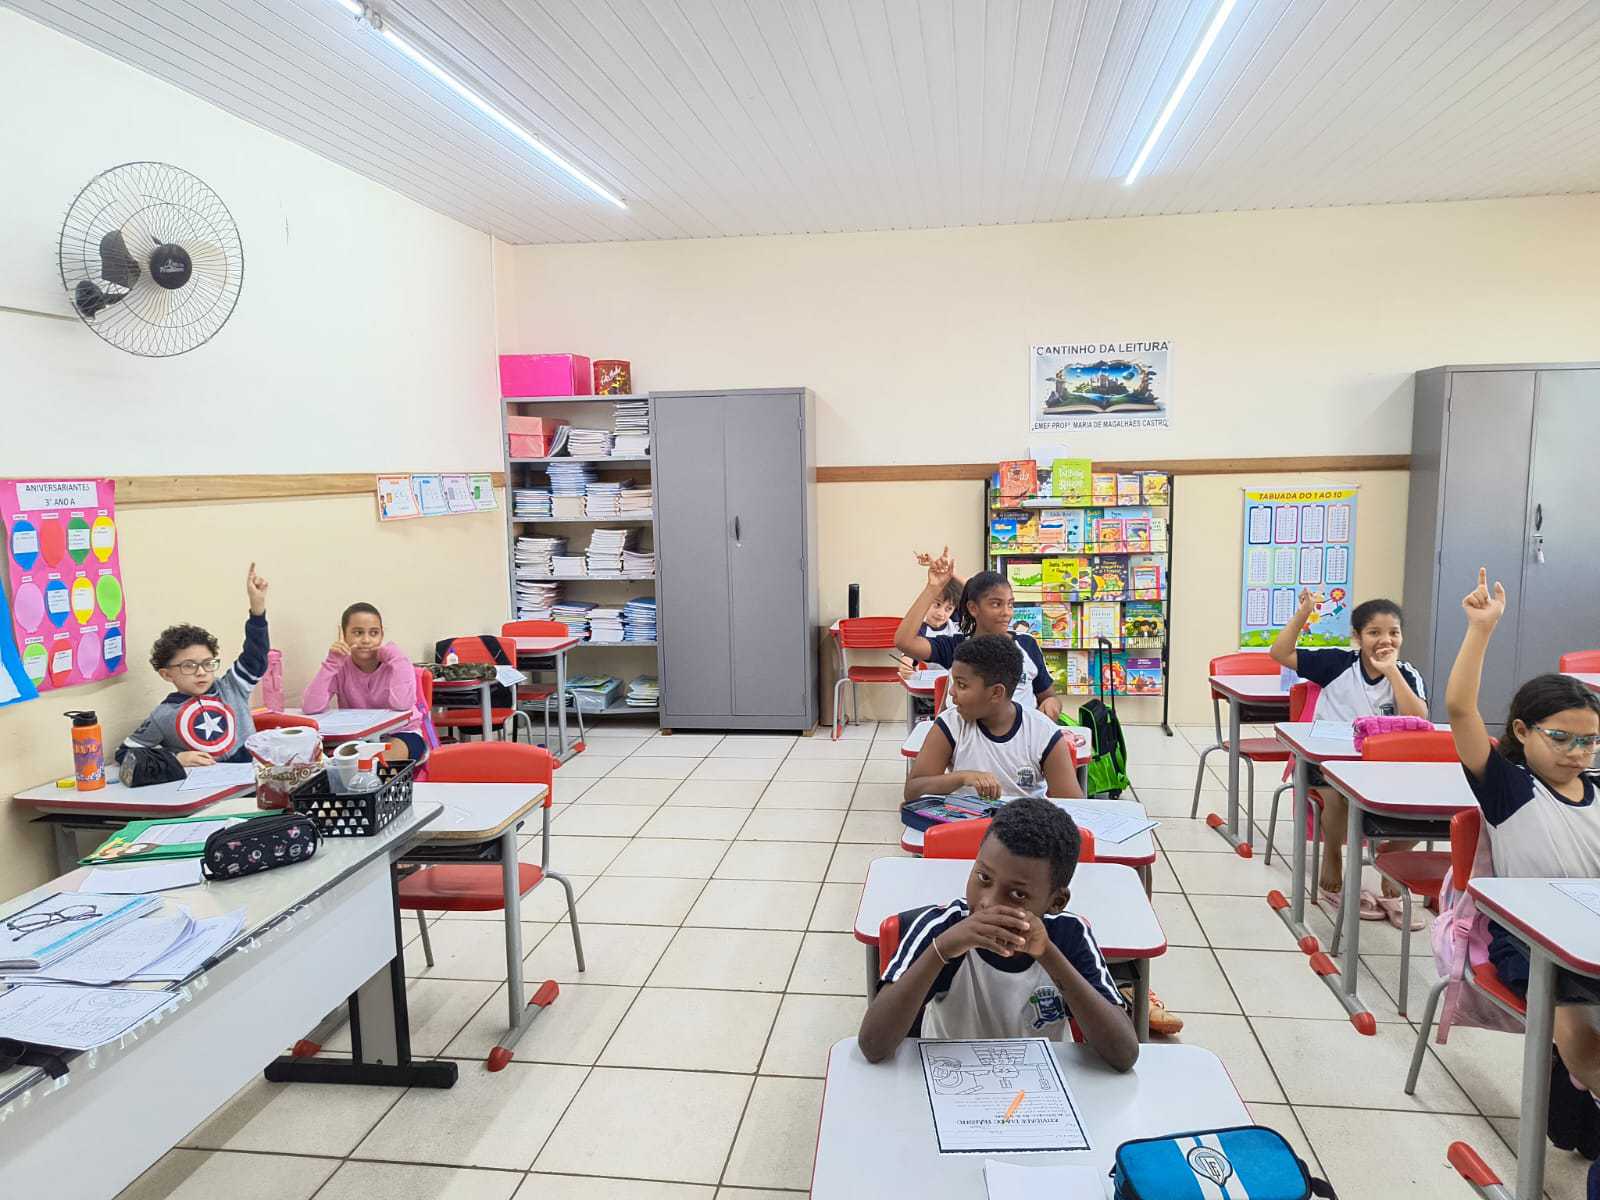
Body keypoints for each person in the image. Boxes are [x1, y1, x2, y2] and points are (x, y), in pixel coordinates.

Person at [1447, 567, 1600, 1098]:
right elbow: (1460, 709)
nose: (1577, 753)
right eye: (1560, 737)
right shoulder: (1510, 788)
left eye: (1590, 742)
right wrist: (1481, 629)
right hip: (1535, 941)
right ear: (1521, 730)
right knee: (1581, 1040)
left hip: (1592, 930)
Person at [857, 797, 1138, 1069]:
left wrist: (1048, 955)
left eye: (1018, 894)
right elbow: (873, 1045)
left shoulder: (1070, 935)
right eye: (983, 878)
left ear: (1056, 902)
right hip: (951, 1074)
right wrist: (941, 950)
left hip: (1040, 1083)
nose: (988, 902)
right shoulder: (940, 928)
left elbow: (1124, 1054)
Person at [1270, 587, 1429, 924]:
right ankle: (1332, 854)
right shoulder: (1338, 663)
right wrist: (1303, 614)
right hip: (1326, 763)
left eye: (1393, 632)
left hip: (1383, 766)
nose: (1385, 640)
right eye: (1374, 632)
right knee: (1338, 797)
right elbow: (1280, 653)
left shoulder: (1406, 673)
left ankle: (1389, 859)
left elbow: (1420, 718)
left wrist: (1391, 672)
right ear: (1357, 636)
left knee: (1429, 807)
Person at [117, 563, 270, 786]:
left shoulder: (232, 688)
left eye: (208, 663)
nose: (201, 672)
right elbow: (125, 753)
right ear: (166, 674)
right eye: (188, 666)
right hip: (206, 790)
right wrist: (176, 758)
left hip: (253, 782)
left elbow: (256, 655)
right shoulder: (163, 715)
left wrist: (257, 609)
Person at [903, 634, 1082, 805]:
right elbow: (912, 791)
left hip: (1026, 823)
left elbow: (1074, 807)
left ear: (996, 692)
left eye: (962, 685)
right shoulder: (951, 724)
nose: (951, 692)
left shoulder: (1042, 731)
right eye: (954, 682)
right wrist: (962, 777)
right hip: (966, 822)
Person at [896, 547, 1062, 718]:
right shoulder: (958, 646)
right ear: (973, 608)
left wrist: (1051, 703)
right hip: (964, 732)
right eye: (996, 604)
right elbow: (904, 642)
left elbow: (1049, 696)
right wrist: (933, 587)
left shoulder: (1027, 644)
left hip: (1020, 734)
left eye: (1010, 604)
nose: (1007, 612)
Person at [301, 602, 432, 761]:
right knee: (319, 760)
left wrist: (399, 659)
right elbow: (310, 707)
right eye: (358, 633)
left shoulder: (395, 663)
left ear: (382, 635)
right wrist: (331, 663)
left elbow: (402, 705)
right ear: (344, 635)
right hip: (357, 738)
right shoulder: (339, 665)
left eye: (374, 633)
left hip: (400, 734)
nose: (366, 640)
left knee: (373, 763)